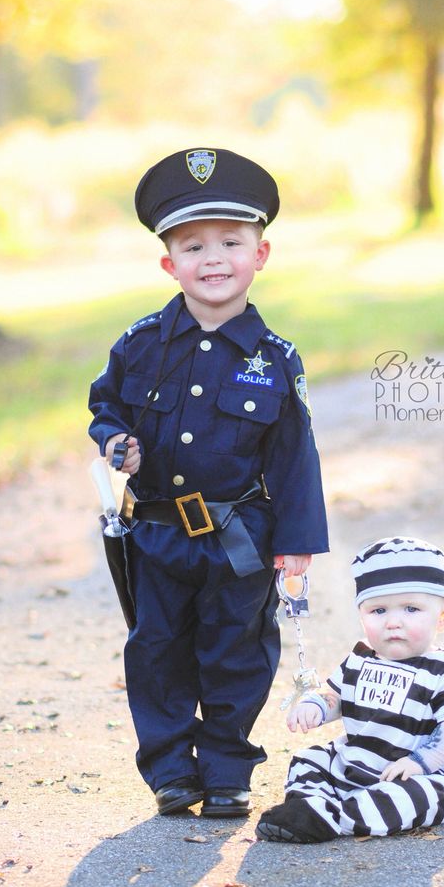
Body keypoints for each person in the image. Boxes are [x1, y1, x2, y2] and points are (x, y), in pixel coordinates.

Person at [88, 147, 329, 819]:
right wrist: (116, 440)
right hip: (158, 534)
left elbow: (295, 457)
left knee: (237, 653)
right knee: (158, 651)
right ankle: (170, 770)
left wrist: (297, 542)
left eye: (232, 241)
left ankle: (225, 769)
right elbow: (105, 405)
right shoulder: (139, 345)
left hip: (240, 539)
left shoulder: (275, 360)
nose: (214, 258)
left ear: (262, 254)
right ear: (170, 264)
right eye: (193, 245)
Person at [256, 537, 444, 843]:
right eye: (378, 611)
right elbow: (336, 696)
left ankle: (334, 819)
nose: (393, 622)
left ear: (442, 616)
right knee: (309, 760)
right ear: (362, 616)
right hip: (353, 763)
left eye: (412, 609)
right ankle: (307, 807)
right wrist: (317, 707)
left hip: (414, 775)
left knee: (421, 798)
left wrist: (420, 762)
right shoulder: (360, 658)